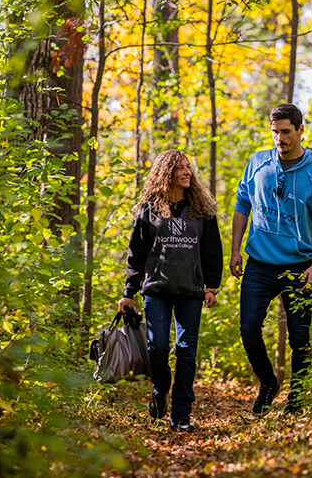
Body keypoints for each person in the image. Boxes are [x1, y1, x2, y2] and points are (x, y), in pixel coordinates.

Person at [230, 103, 312, 416]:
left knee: (300, 338)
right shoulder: (258, 163)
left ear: (301, 130)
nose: (280, 138)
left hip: (299, 266)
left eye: (286, 131)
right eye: (275, 131)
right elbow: (242, 204)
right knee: (249, 328)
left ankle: (297, 402)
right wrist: (236, 249)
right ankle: (268, 381)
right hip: (259, 263)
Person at [118, 149, 222, 433]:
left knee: (187, 352)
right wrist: (129, 291)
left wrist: (211, 286)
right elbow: (136, 254)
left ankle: (181, 416)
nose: (187, 172)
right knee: (159, 349)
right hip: (157, 291)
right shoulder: (149, 210)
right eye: (181, 168)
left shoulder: (202, 210)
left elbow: (212, 251)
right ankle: (159, 390)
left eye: (188, 167)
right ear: (167, 174)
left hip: (190, 292)